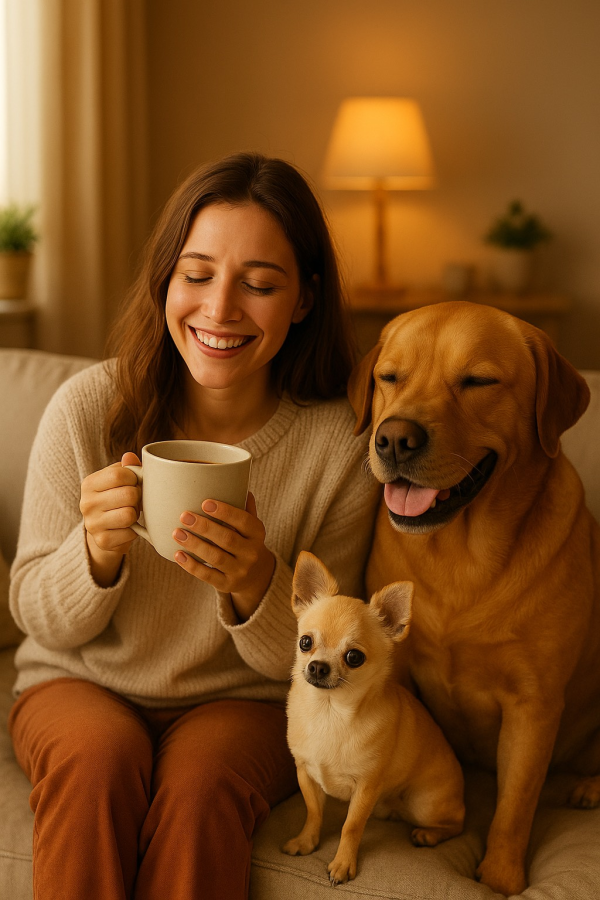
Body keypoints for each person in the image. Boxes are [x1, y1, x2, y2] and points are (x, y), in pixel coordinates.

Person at [8, 152, 380, 900]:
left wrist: (256, 585)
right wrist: (96, 558)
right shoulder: (87, 409)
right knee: (95, 764)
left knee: (205, 785)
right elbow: (31, 610)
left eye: (260, 284)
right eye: (197, 274)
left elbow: (334, 649)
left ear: (304, 300)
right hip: (79, 682)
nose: (219, 309)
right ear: (166, 282)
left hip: (242, 699)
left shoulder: (338, 446)